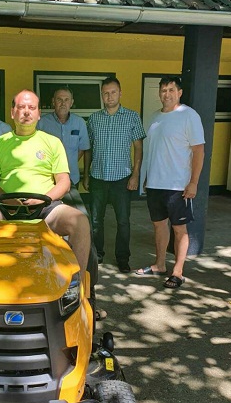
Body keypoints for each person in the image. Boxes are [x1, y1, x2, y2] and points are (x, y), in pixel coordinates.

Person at [0, 89, 91, 279]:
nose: (26, 111)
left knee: (81, 222)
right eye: (21, 107)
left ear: (39, 113)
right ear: (12, 112)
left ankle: (77, 285)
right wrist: (9, 202)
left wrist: (45, 199)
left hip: (46, 207)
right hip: (5, 207)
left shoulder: (53, 142)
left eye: (31, 107)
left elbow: (64, 181)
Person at [136, 76, 205, 288]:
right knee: (159, 226)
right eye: (163, 90)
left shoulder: (189, 116)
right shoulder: (154, 117)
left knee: (179, 229)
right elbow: (153, 150)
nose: (167, 94)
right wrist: (147, 177)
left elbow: (198, 151)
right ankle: (159, 265)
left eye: (171, 90)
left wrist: (193, 182)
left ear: (179, 92)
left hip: (178, 186)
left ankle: (178, 272)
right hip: (155, 184)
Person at [83, 77, 146, 273]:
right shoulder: (94, 119)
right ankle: (98, 254)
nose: (109, 96)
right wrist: (86, 175)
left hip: (122, 178)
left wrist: (135, 175)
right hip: (98, 177)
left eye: (113, 92)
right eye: (105, 93)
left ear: (120, 93)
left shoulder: (132, 117)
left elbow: (138, 148)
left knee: (123, 221)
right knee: (96, 220)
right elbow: (88, 149)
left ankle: (123, 258)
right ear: (102, 95)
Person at [37, 86, 90, 187]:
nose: (63, 103)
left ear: (71, 102)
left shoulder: (79, 123)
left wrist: (68, 162)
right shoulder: (41, 123)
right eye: (59, 100)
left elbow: (82, 149)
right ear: (53, 102)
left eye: (66, 100)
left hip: (72, 177)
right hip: (48, 179)